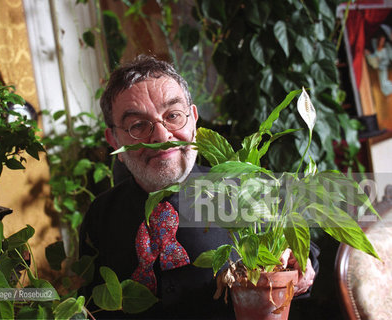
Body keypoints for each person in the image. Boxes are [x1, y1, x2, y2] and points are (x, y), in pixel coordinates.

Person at [79, 55, 318, 319]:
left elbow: (298, 263)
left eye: (173, 115)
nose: (161, 136)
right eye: (137, 126)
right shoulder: (100, 217)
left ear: (193, 120)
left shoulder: (247, 191)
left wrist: (301, 266)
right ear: (114, 141)